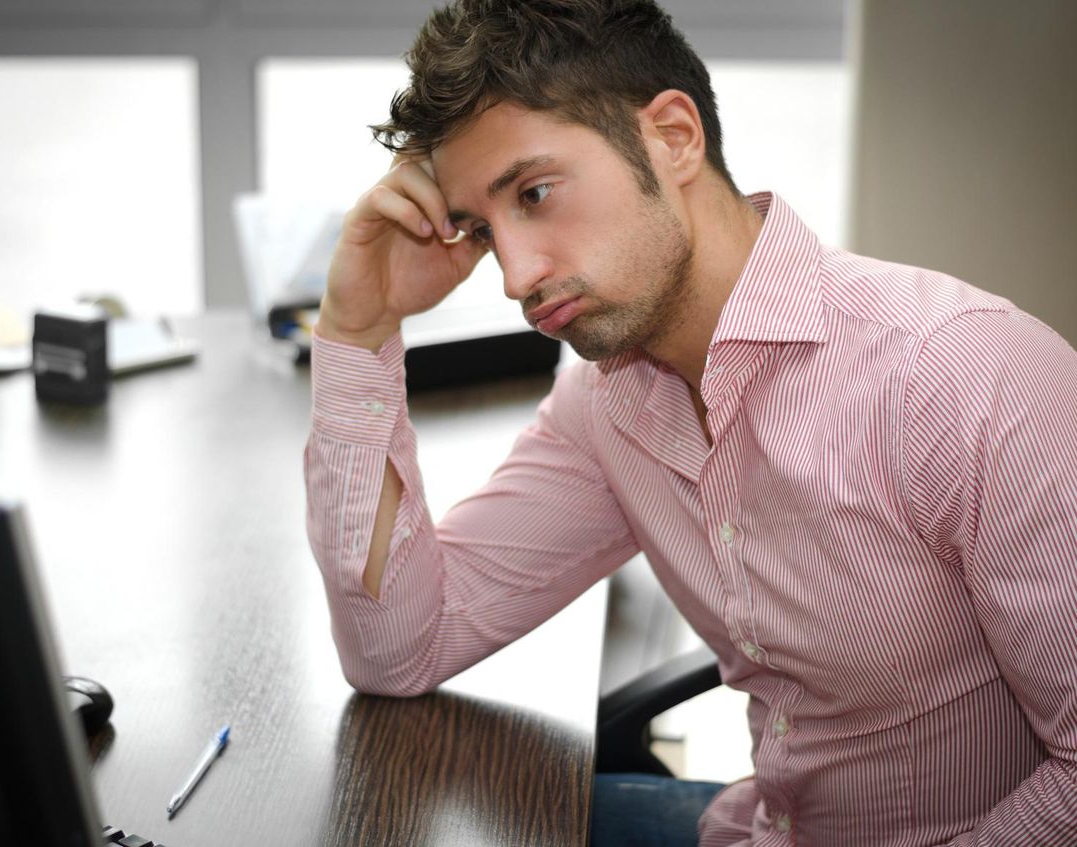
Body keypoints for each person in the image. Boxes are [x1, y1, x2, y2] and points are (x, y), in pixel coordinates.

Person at [303, 0, 1077, 844]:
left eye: (535, 192)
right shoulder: (610, 403)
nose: (515, 276)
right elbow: (399, 650)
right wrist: (358, 327)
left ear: (673, 137)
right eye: (484, 231)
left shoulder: (965, 377)